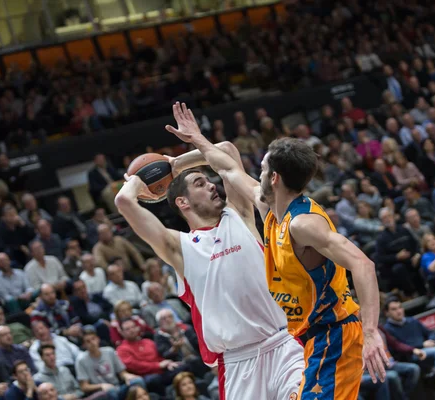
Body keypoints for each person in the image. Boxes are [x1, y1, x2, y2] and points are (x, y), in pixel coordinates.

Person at [164, 103, 388, 398]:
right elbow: (228, 166)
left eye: (263, 168)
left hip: (335, 334)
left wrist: (371, 332)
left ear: (274, 178)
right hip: (306, 336)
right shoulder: (268, 207)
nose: (258, 172)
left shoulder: (303, 225)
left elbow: (363, 264)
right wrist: (196, 141)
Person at [115, 114, 305, 400]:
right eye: (201, 184)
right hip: (237, 364)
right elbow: (123, 202)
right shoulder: (178, 247)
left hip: (284, 344)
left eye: (209, 180)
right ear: (182, 202)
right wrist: (138, 180)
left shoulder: (238, 215)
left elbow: (227, 150)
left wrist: (174, 164)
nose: (212, 185)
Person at [76, 328, 145, 400]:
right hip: (100, 392)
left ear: (98, 339)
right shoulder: (81, 360)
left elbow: (122, 373)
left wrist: (127, 376)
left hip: (117, 387)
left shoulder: (109, 351)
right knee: (110, 391)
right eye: (88, 341)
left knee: (138, 380)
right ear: (84, 345)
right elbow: (84, 386)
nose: (92, 343)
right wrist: (101, 385)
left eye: (93, 339)